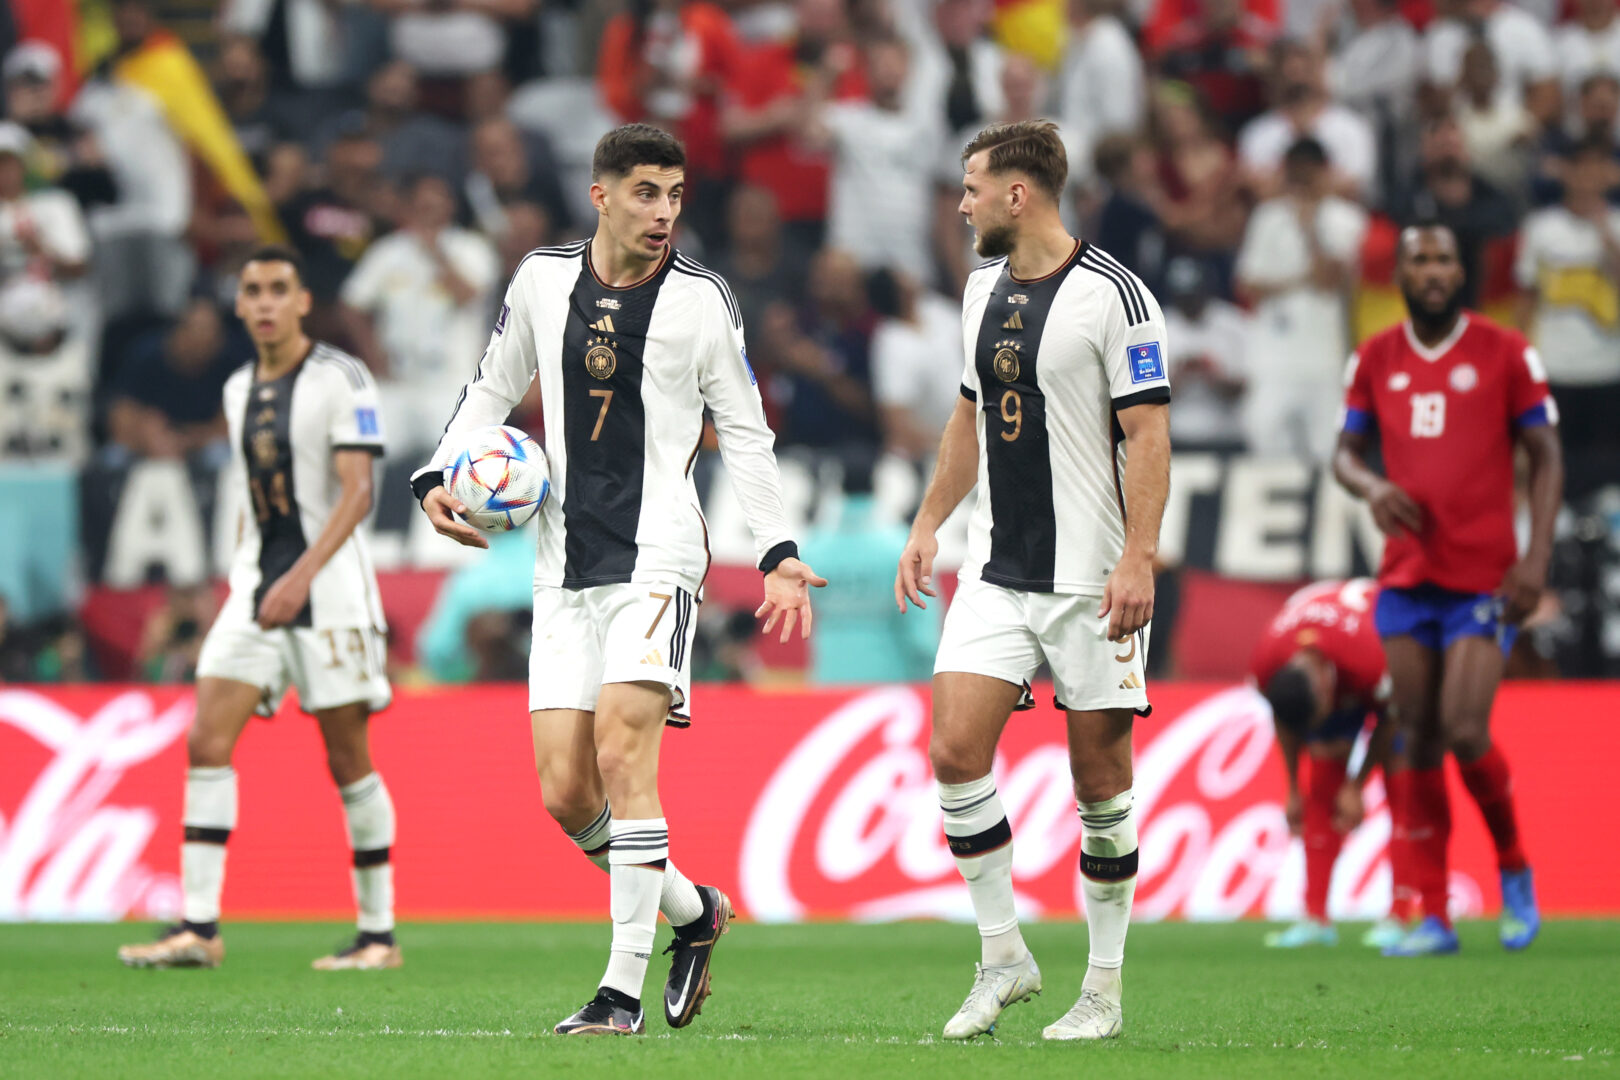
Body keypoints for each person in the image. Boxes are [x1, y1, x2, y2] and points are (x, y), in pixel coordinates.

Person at [411, 124, 824, 1036]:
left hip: (659, 556)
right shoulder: (541, 279)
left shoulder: (703, 300)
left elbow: (745, 428)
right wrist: (436, 474)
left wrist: (776, 550)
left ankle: (620, 992)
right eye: (645, 192)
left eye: (674, 194)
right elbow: (491, 386)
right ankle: (695, 912)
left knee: (623, 756)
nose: (663, 211)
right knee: (566, 792)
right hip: (563, 563)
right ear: (600, 196)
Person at [897, 120, 1171, 1041]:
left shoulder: (1117, 296)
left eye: (972, 187)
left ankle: (1103, 990)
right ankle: (1004, 956)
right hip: (997, 569)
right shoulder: (981, 288)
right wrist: (930, 522)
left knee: (1100, 785)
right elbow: (967, 416)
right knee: (953, 751)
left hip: (1092, 577)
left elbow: (1149, 435)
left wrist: (1139, 557)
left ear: (1019, 194)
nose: (961, 204)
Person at [117, 247, 399, 972]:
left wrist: (300, 577)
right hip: (255, 590)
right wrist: (241, 579)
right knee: (206, 740)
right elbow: (253, 495)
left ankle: (378, 935)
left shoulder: (342, 377)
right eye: (253, 291)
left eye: (279, 289)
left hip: (329, 594)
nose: (266, 302)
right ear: (240, 306)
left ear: (302, 302)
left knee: (348, 759)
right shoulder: (239, 386)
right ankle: (198, 927)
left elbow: (358, 493)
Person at [1334, 222, 1562, 957]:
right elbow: (1344, 453)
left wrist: (1536, 559)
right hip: (1406, 577)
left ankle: (1514, 867)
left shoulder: (1505, 350)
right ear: (1400, 274)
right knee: (1415, 735)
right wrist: (1372, 486)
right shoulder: (1375, 356)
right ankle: (1433, 915)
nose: (1432, 271)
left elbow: (1546, 455)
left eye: (1444, 260)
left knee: (1465, 730)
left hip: (1483, 579)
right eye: (1420, 260)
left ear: (1461, 272)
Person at [1250, 578, 1415, 951]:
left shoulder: (1368, 660)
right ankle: (1315, 918)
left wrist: (1357, 785)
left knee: (1402, 776)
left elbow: (1392, 716)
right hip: (1335, 648)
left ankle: (1400, 916)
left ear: (1327, 688)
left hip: (1392, 651)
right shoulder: (1266, 664)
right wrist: (1292, 787)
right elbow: (1284, 718)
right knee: (1322, 778)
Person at [1235, 136, 1367, 460]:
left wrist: (1309, 227)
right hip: (1274, 353)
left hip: (1326, 353)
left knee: (1326, 446)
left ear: (1324, 172)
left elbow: (1330, 281)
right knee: (1263, 434)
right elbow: (1248, 284)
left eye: (1309, 175)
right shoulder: (1268, 217)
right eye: (1296, 175)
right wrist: (1300, 279)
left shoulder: (1348, 220)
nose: (1302, 184)